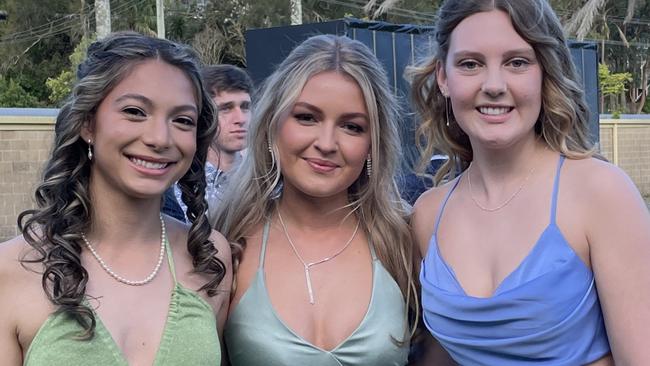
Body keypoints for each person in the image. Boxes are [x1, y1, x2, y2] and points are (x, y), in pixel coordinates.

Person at [411, 0, 650, 364]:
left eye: (517, 62)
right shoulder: (429, 214)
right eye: (470, 63)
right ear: (444, 77)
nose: (494, 85)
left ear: (545, 73)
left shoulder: (600, 193)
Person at [0, 32, 232, 365]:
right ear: (87, 123)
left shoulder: (209, 256)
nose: (159, 138)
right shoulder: (10, 269)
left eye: (182, 120)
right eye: (136, 112)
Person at [213, 34, 419, 365]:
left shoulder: (404, 242)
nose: (326, 143)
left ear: (372, 143)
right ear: (272, 125)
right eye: (307, 117)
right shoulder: (229, 241)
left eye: (351, 127)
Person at [164, 64, 253, 222]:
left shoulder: (266, 179)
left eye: (245, 107)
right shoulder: (174, 182)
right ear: (202, 114)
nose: (241, 119)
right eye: (226, 108)